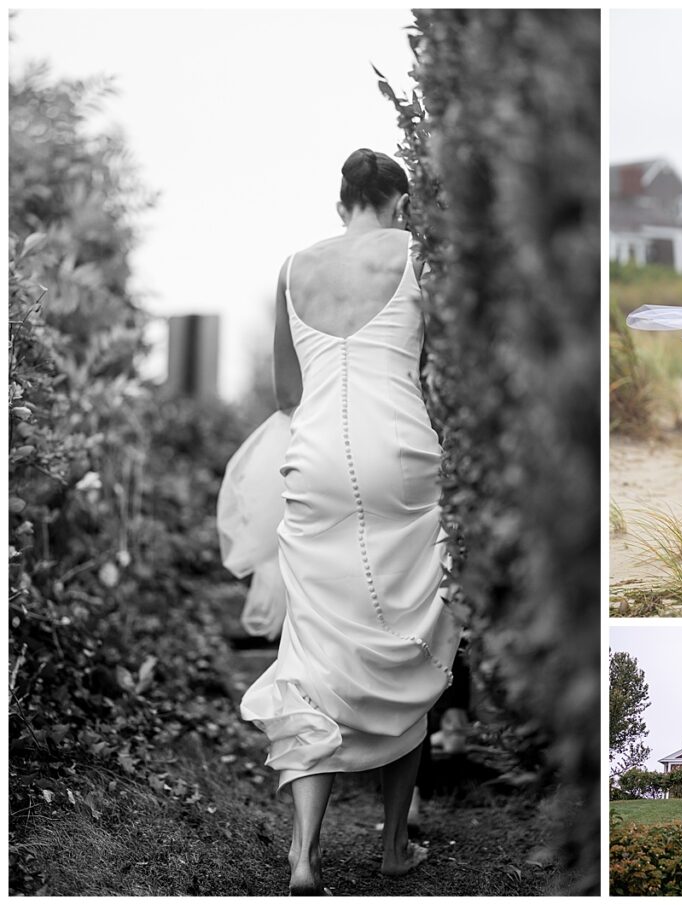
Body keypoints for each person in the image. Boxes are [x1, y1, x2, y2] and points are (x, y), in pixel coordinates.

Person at [234, 148, 461, 893]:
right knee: (408, 639)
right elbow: (446, 362)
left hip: (315, 459)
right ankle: (394, 844)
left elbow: (285, 388)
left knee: (315, 651)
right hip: (400, 450)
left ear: (342, 205)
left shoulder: (295, 265)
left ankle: (303, 854)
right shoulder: (417, 253)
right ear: (398, 200)